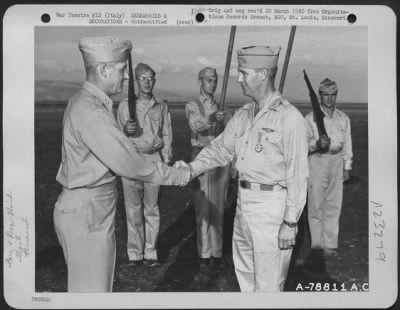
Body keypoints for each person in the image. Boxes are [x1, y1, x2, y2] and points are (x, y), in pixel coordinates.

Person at [53, 36, 190, 292]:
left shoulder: (88, 103)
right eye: (121, 69)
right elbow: (131, 164)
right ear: (104, 69)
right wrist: (179, 175)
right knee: (91, 296)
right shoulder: (91, 111)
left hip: (90, 209)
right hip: (88, 212)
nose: (126, 77)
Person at [175, 46, 309, 292]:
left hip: (272, 209)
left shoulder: (289, 118)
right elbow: (220, 149)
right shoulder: (244, 115)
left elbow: (298, 174)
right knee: (245, 279)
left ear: (264, 74)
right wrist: (191, 169)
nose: (238, 79)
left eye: (244, 73)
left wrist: (290, 222)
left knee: (269, 286)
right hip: (243, 205)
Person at [117, 63, 172, 267]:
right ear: (136, 81)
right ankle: (134, 254)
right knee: (132, 209)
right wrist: (125, 130)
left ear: (154, 81)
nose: (147, 82)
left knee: (152, 208)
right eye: (143, 78)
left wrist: (166, 160)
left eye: (150, 78)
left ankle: (150, 253)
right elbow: (117, 137)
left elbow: (167, 133)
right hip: (132, 161)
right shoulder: (125, 106)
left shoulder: (161, 106)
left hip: (153, 160)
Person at [185, 67, 231, 269]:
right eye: (208, 80)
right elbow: (197, 125)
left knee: (218, 207)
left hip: (221, 161)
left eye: (214, 80)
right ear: (200, 81)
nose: (212, 84)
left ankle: (217, 253)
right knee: (203, 207)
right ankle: (204, 254)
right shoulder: (192, 106)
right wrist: (213, 118)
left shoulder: (226, 110)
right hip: (201, 156)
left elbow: (231, 139)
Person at [305, 78, 353, 256]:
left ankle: (330, 244)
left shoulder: (343, 118)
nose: (330, 99)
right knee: (316, 204)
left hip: (336, 161)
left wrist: (347, 167)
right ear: (319, 96)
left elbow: (347, 144)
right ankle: (317, 245)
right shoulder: (310, 119)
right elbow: (302, 145)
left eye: (333, 95)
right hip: (318, 160)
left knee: (334, 204)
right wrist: (317, 144)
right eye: (326, 95)